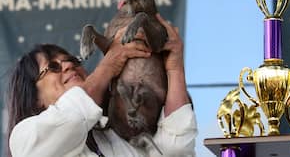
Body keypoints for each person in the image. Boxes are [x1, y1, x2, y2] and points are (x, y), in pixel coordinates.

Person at [7, 14, 197, 157]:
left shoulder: (114, 135)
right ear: (35, 98)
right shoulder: (25, 138)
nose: (68, 65)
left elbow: (175, 148)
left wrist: (175, 70)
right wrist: (111, 61)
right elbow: (72, 116)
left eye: (72, 60)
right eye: (53, 67)